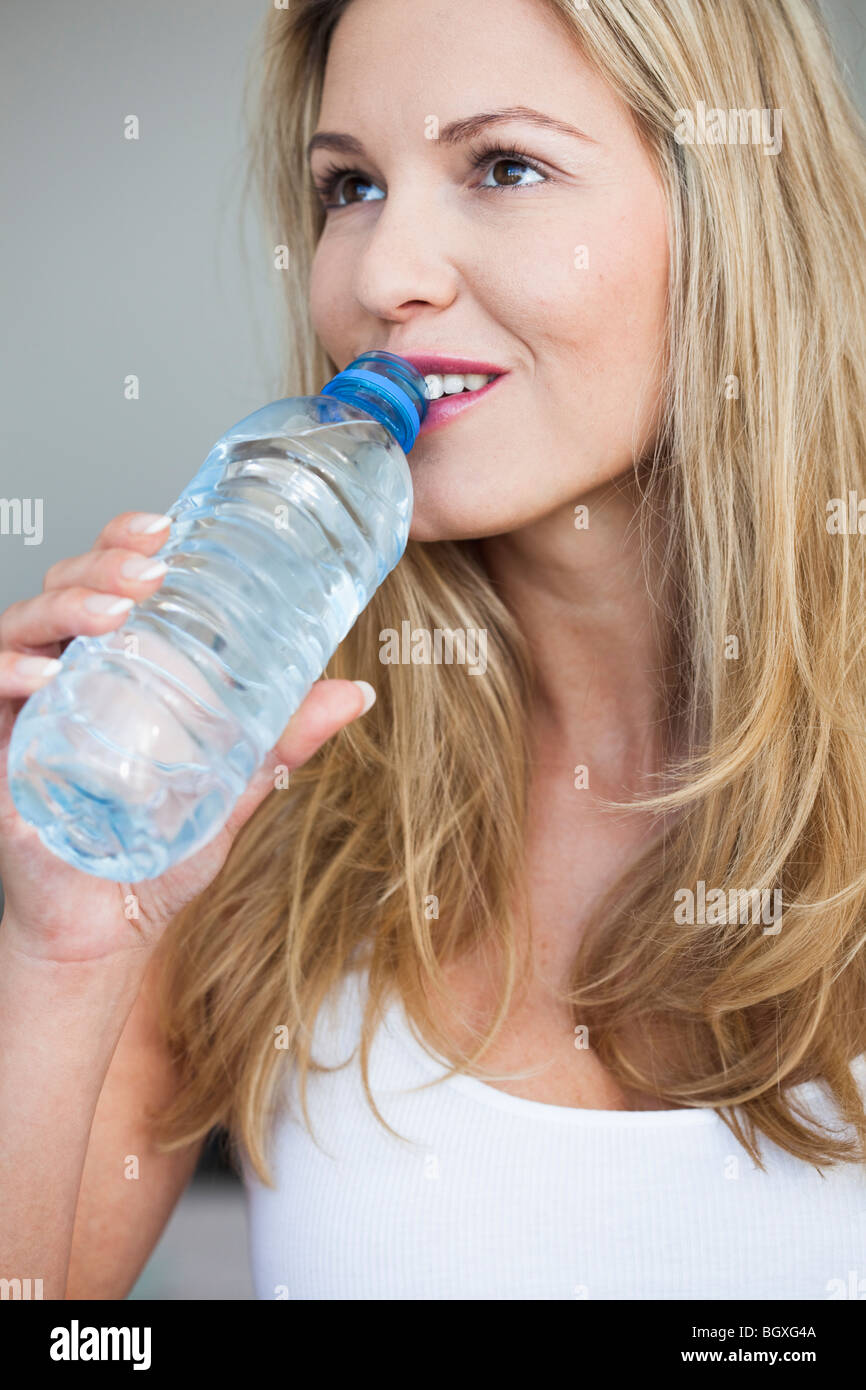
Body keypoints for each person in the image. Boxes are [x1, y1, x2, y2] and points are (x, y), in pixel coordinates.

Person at [2, 0, 866, 1300]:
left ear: (732, 206)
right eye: (348, 185)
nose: (376, 273)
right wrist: (64, 950)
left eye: (502, 165)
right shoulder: (254, 798)